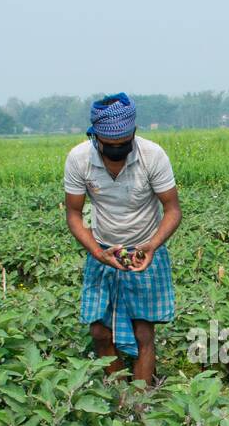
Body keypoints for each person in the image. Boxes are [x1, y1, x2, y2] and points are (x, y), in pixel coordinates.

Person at [63, 93, 182, 384]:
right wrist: (96, 252)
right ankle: (121, 396)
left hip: (144, 250)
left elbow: (172, 210)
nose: (117, 150)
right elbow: (74, 215)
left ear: (133, 134)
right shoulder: (79, 159)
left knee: (144, 331)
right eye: (110, 146)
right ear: (95, 138)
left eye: (123, 145)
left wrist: (152, 245)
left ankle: (141, 401)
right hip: (103, 250)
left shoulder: (152, 155)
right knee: (100, 332)